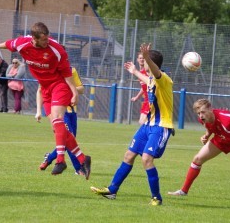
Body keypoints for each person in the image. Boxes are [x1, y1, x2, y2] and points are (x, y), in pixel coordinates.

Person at [0, 22, 91, 179]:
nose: (46, 41)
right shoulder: (23, 43)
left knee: (57, 119)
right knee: (58, 129)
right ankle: (83, 159)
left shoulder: (57, 49)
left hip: (59, 85)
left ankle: (61, 160)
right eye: (43, 40)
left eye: (47, 38)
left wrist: (74, 92)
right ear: (34, 39)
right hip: (45, 88)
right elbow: (9, 44)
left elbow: (67, 73)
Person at [90, 43, 174, 206]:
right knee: (129, 155)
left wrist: (147, 58)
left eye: (146, 61)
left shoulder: (163, 79)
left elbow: (155, 74)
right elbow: (147, 79)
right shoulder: (151, 80)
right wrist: (135, 71)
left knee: (146, 159)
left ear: (153, 63)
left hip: (160, 126)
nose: (143, 62)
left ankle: (156, 197)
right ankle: (112, 190)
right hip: (147, 126)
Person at [37, 66, 85, 175]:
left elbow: (81, 89)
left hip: (71, 111)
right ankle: (79, 168)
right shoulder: (46, 70)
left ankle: (49, 158)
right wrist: (38, 111)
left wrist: (67, 87)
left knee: (69, 141)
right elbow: (40, 90)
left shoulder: (71, 70)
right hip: (59, 112)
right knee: (68, 139)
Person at [130, 52, 150, 125]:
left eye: (143, 58)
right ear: (137, 60)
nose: (142, 60)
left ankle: (164, 127)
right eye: (140, 58)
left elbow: (150, 83)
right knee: (142, 122)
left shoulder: (147, 71)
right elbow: (143, 87)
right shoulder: (140, 72)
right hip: (146, 100)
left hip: (151, 100)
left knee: (143, 122)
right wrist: (137, 97)